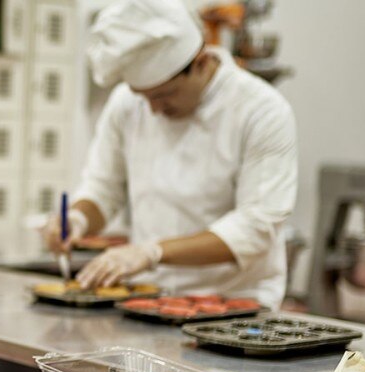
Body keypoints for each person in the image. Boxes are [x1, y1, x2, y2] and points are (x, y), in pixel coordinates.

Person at [44, 0, 298, 308]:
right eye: (144, 97)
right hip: (149, 300)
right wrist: (77, 218)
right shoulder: (126, 104)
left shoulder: (261, 110)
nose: (153, 109)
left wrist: (151, 252)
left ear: (201, 62)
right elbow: (103, 188)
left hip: (233, 308)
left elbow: (255, 229)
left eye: (164, 95)